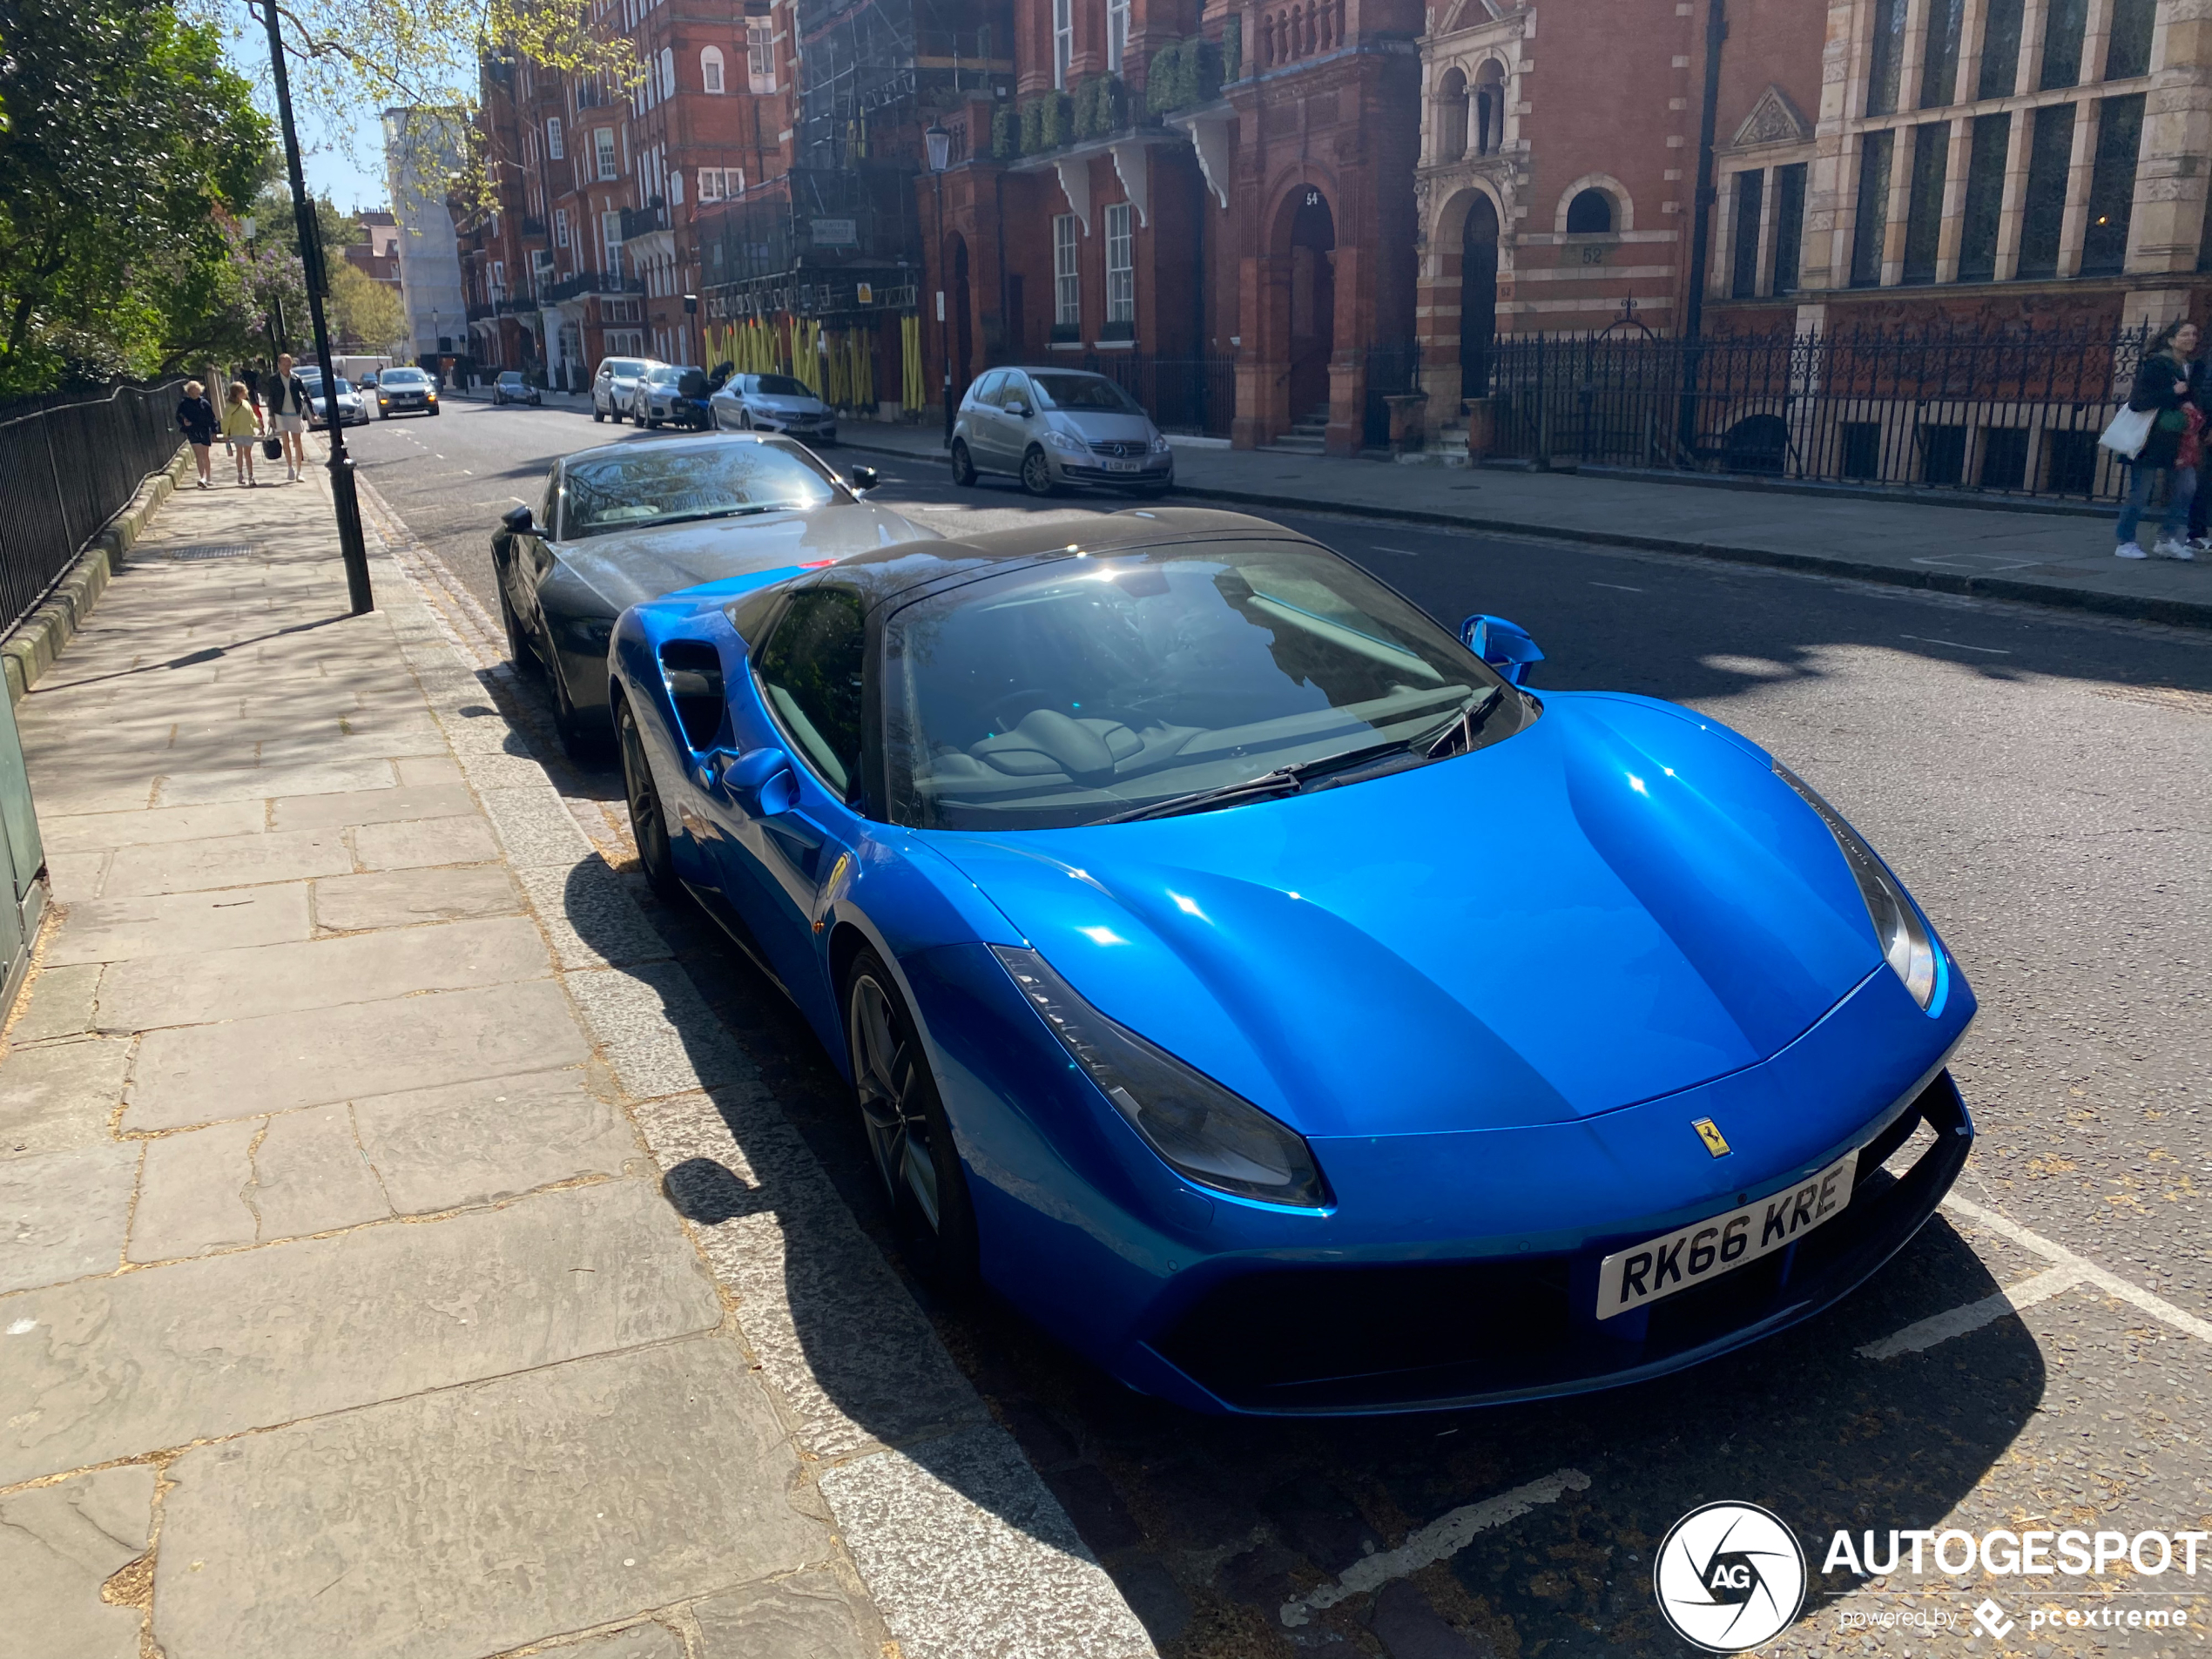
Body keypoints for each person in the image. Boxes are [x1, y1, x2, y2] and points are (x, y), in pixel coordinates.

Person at [2114, 319, 2200, 560]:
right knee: (2141, 492)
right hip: (2151, 440)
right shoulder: (2157, 365)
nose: (2191, 338)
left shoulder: (2191, 367)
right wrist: (2172, 393)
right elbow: (2138, 402)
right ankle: (2125, 540)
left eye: (2194, 334)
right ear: (2172, 339)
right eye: (2185, 334)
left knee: (2187, 487)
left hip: (2178, 440)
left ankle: (2168, 539)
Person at [269, 353, 311, 482]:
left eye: (289, 363)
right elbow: (272, 399)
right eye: (284, 363)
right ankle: (290, 468)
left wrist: (312, 412)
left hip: (294, 412)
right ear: (279, 365)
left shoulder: (296, 378)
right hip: (280, 413)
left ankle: (299, 471)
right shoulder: (274, 379)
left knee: (297, 442)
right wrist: (271, 416)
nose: (287, 366)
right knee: (285, 442)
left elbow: (304, 394)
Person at [176, 381, 219, 489]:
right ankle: (202, 477)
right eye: (192, 391)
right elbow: (178, 416)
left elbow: (211, 418)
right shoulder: (184, 403)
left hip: (204, 430)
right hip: (192, 430)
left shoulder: (205, 403)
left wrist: (214, 431)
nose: (195, 393)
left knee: (205, 455)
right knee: (199, 455)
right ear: (188, 391)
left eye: (196, 390)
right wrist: (184, 421)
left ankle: (208, 477)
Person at [219, 382, 262, 486]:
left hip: (248, 432)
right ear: (237, 393)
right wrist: (225, 433)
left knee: (248, 454)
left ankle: (251, 475)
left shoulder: (246, 404)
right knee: (240, 453)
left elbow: (252, 417)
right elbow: (226, 420)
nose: (245, 393)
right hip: (237, 432)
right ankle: (240, 474)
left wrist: (259, 426)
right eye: (243, 392)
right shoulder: (229, 407)